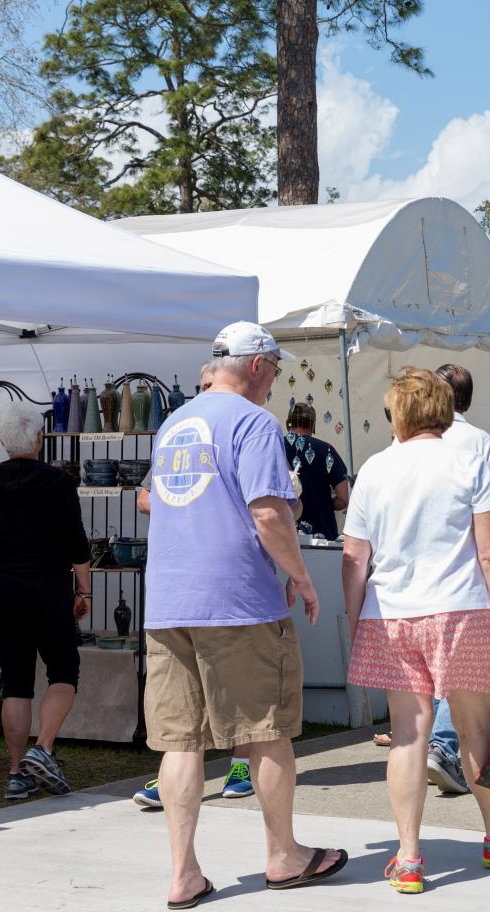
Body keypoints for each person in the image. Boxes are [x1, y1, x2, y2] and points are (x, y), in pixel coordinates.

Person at [145, 322, 345, 908]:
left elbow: (161, 500)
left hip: (168, 598)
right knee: (267, 731)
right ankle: (284, 856)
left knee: (179, 742)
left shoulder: (175, 421)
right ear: (258, 364)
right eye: (276, 372)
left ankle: (183, 873)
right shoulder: (254, 422)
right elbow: (265, 512)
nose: (274, 384)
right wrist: (303, 576)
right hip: (234, 599)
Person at [342, 368, 490, 893]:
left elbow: (354, 557)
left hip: (390, 615)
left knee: (408, 735)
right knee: (475, 729)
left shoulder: (375, 469)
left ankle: (408, 858)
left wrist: (355, 618)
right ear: (445, 409)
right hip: (461, 609)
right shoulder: (469, 457)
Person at [133, 361, 254, 809]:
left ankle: (240, 766)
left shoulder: (247, 427)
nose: (207, 393)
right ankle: (178, 778)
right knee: (186, 704)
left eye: (210, 385)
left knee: (242, 696)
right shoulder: (178, 431)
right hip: (181, 584)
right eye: (202, 386)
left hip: (231, 585)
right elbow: (144, 495)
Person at [0, 403, 89, 802]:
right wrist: (83, 591)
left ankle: (17, 773)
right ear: (38, 438)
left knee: (15, 681)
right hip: (50, 590)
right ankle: (43, 749)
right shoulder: (58, 482)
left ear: (1, 439)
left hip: (5, 591)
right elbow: (78, 545)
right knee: (64, 672)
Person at [425, 363, 490, 795]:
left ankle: (408, 849)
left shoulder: (407, 442)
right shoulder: (477, 441)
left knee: (430, 685)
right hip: (467, 576)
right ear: (469, 400)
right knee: (466, 678)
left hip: (413, 585)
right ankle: (443, 748)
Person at [283, 402, 350, 540]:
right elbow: (344, 498)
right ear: (313, 425)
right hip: (323, 537)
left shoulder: (274, 447)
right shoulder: (327, 451)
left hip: (284, 537)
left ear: (287, 424)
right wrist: (322, 503)